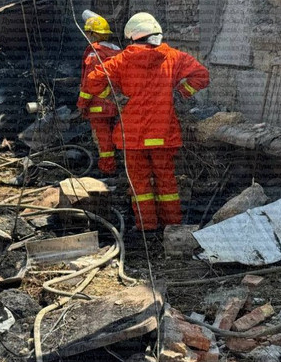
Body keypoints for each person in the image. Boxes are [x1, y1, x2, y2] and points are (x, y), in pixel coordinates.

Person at [83, 12, 209, 231]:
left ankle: (146, 226)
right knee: (167, 183)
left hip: (133, 136)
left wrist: (114, 96)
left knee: (139, 185)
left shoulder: (122, 59)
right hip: (164, 133)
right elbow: (202, 75)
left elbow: (93, 80)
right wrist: (180, 93)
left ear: (133, 36)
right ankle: (172, 226)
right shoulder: (175, 57)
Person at [76, 13, 122, 174]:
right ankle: (118, 165)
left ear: (93, 34)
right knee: (114, 134)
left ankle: (107, 169)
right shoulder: (118, 52)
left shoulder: (94, 54)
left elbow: (89, 83)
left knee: (103, 138)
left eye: (87, 33)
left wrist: (81, 104)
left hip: (98, 105)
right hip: (116, 102)